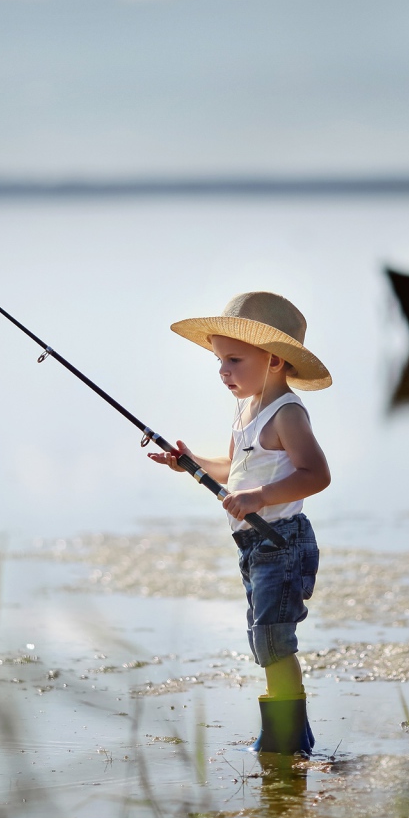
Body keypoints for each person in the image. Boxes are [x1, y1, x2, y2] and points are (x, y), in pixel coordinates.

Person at [149, 291, 331, 755]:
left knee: (274, 638)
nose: (223, 371)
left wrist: (260, 497)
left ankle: (286, 737)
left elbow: (316, 474)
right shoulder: (246, 410)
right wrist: (190, 463)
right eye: (219, 361)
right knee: (261, 637)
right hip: (253, 544)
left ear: (273, 359)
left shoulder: (287, 413)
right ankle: (292, 734)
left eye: (233, 359)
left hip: (281, 540)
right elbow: (233, 471)